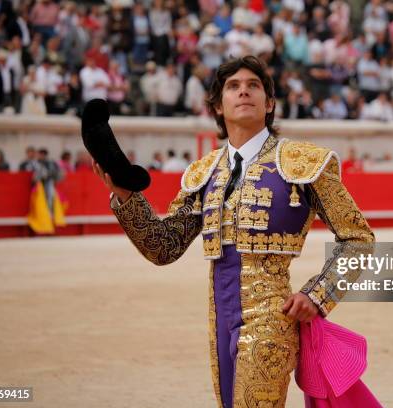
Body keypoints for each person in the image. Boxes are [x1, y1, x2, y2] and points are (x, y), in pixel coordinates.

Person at [92, 55, 374, 408]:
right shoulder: (204, 172)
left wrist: (318, 295)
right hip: (218, 318)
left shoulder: (303, 162)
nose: (244, 92)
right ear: (218, 106)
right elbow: (163, 247)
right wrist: (126, 196)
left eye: (254, 86)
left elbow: (358, 238)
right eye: (233, 87)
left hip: (273, 317)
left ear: (269, 103)